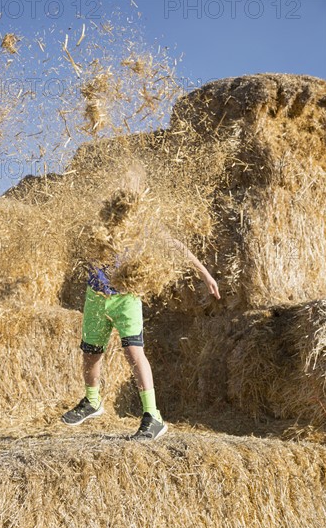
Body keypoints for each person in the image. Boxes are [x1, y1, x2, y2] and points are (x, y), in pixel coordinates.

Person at [62, 164, 221, 440]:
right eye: (121, 183)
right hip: (96, 295)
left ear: (139, 193)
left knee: (133, 353)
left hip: (126, 298)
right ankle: (92, 401)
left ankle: (153, 416)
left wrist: (205, 273)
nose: (124, 189)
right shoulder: (103, 217)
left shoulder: (144, 223)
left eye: (131, 185)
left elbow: (175, 245)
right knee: (91, 352)